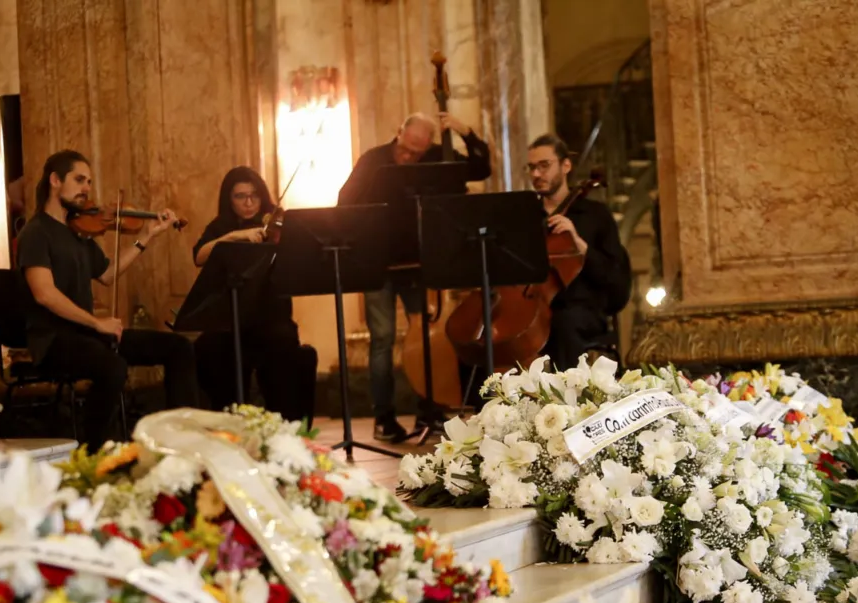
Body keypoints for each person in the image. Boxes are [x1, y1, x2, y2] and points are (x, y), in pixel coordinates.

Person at [17, 149, 198, 451]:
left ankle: (184, 441)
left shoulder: (78, 233)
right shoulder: (36, 233)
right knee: (112, 366)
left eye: (88, 181)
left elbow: (108, 273)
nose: (86, 188)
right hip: (53, 342)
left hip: (87, 335)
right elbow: (44, 293)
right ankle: (95, 452)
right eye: (78, 179)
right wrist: (96, 322)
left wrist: (147, 235)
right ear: (55, 180)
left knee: (178, 347)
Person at [337, 112, 491, 443]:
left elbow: (481, 168)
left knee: (427, 336)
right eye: (407, 149)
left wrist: (465, 131)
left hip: (420, 261)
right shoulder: (373, 160)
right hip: (378, 263)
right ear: (399, 132)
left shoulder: (436, 157)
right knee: (382, 338)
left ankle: (430, 410)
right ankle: (384, 417)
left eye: (418, 153)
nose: (410, 158)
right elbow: (345, 201)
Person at [192, 166, 317, 424]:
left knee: (281, 344)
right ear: (229, 199)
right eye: (240, 197)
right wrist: (235, 236)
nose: (249, 203)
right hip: (232, 320)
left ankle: (284, 428)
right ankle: (227, 426)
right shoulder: (221, 226)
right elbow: (199, 256)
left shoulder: (278, 223)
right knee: (209, 348)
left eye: (254, 196)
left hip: (272, 317)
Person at [527, 134, 631, 371]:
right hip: (533, 308)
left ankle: (566, 405)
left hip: (581, 310)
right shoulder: (526, 216)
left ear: (566, 165)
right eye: (532, 167)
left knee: (563, 322)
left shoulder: (596, 215)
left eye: (544, 166)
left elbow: (616, 282)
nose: (536, 174)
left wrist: (579, 245)